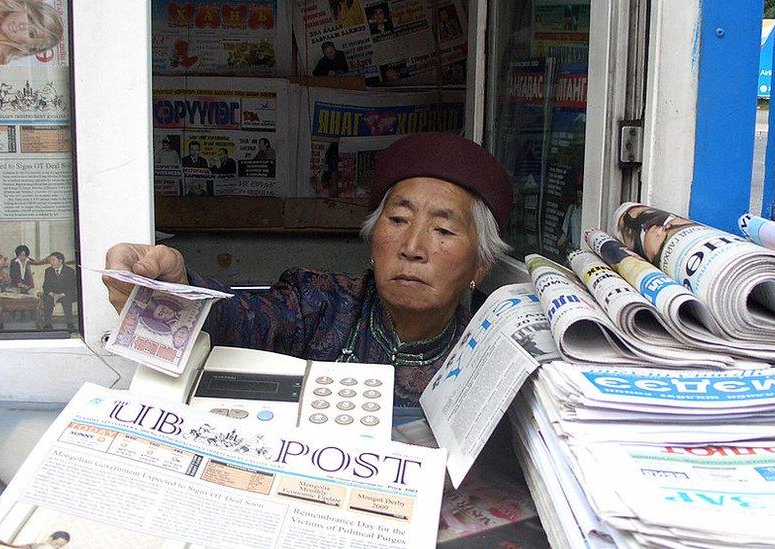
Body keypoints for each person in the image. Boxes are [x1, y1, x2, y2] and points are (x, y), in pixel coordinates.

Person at [103, 132, 512, 407]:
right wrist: (177, 287)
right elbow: (238, 320)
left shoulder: (498, 347)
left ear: (481, 264)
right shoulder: (319, 305)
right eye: (398, 221)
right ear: (373, 241)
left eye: (442, 229)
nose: (412, 248)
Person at [40, 251, 75, 330]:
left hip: (64, 294)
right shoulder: (48, 271)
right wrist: (52, 294)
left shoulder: (69, 271)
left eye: (53, 260)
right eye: (50, 261)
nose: (51, 262)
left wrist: (60, 295)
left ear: (60, 261)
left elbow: (71, 287)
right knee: (47, 299)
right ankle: (47, 323)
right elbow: (46, 286)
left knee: (67, 299)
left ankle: (70, 323)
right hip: (53, 294)